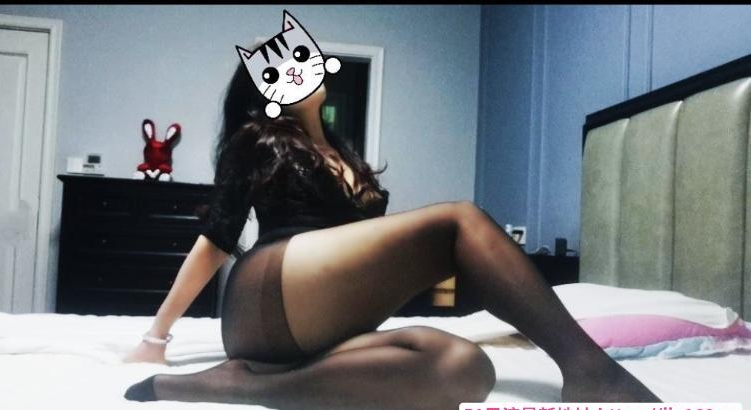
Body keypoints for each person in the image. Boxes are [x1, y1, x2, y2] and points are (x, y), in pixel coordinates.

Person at [122, 59, 661, 409]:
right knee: (458, 221)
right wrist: (156, 337)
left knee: (465, 369)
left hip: (322, 319)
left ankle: (245, 386)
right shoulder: (257, 138)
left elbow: (366, 259)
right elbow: (216, 238)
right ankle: (589, 369)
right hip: (268, 296)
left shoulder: (343, 150)